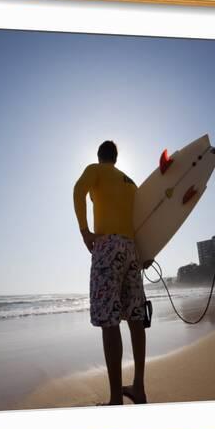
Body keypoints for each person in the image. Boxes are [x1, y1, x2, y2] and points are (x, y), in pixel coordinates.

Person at [73, 141, 148, 406]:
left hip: (107, 247)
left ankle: (116, 398)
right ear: (116, 157)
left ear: (99, 156)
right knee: (136, 317)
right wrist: (145, 253)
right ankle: (138, 387)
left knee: (110, 320)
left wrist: (84, 231)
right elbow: (142, 219)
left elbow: (78, 191)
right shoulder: (130, 182)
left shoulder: (95, 170)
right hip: (131, 249)